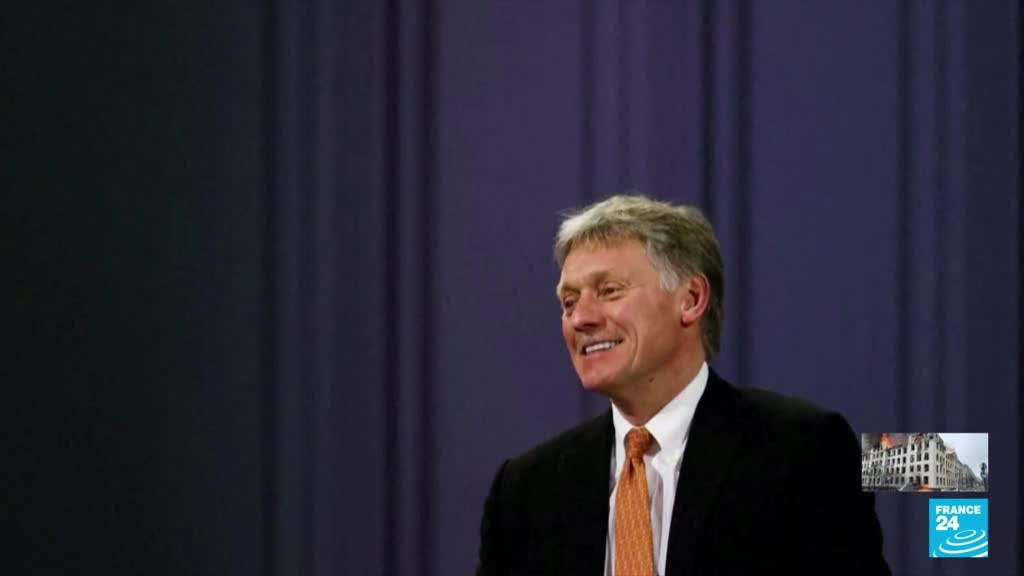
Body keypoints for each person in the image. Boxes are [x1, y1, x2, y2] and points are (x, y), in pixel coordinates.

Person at [476, 195, 890, 575]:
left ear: (690, 299)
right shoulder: (526, 490)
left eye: (609, 291)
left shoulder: (803, 452)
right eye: (569, 302)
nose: (581, 318)